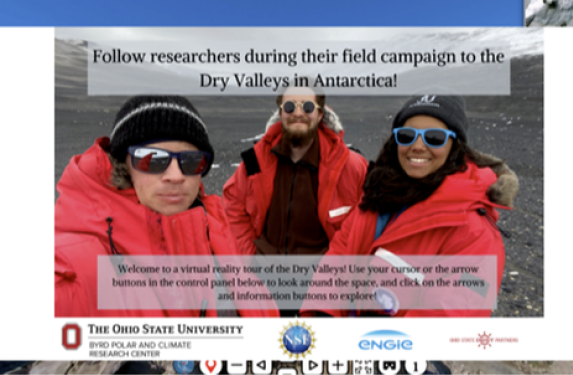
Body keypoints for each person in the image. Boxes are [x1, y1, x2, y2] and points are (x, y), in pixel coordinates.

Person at [55, 95, 277, 317]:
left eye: (191, 161)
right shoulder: (71, 267)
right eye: (152, 159)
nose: (175, 176)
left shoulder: (217, 231)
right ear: (122, 165)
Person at [301, 95, 514, 317]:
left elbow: (447, 320)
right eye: (406, 135)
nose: (418, 146)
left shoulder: (475, 231)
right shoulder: (377, 195)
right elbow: (339, 257)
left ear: (455, 146)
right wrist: (322, 315)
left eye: (434, 137)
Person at [223, 86, 369, 257]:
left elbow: (363, 225)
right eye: (290, 107)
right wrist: (250, 259)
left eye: (307, 106)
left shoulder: (350, 166)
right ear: (280, 113)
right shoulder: (255, 160)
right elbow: (233, 205)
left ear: (320, 114)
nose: (298, 113)